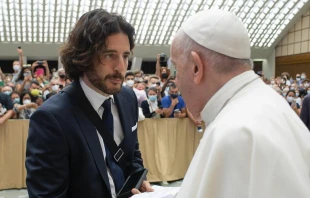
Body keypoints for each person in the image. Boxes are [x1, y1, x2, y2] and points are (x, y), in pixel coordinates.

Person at [170, 9, 310, 198]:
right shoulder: (268, 102)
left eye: (176, 67)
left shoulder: (236, 133)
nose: (175, 81)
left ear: (196, 67)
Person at [26, 9, 153, 198]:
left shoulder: (128, 98)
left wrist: (139, 179)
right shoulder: (51, 119)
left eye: (125, 56)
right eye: (109, 55)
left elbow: (131, 152)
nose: (120, 67)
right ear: (84, 57)